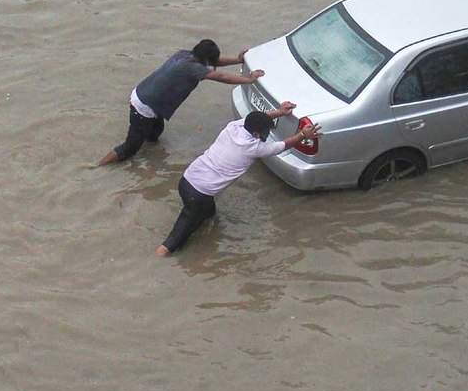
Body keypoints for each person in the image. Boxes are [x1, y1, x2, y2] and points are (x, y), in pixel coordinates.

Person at [156, 104, 321, 256]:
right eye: (265, 133)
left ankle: (204, 227)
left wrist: (279, 112)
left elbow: (255, 117)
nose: (266, 136)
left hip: (187, 179)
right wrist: (302, 135)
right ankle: (158, 260)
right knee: (173, 241)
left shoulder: (234, 127)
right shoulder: (253, 147)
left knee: (209, 215)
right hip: (199, 194)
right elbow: (282, 146)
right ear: (256, 134)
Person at [97, 39, 263, 166]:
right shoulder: (193, 68)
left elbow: (214, 63)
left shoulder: (185, 54)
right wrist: (248, 80)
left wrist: (237, 60)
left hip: (147, 97)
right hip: (144, 106)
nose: (213, 63)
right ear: (205, 59)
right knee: (130, 149)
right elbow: (221, 76)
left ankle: (151, 159)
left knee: (155, 133)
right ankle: (98, 166)